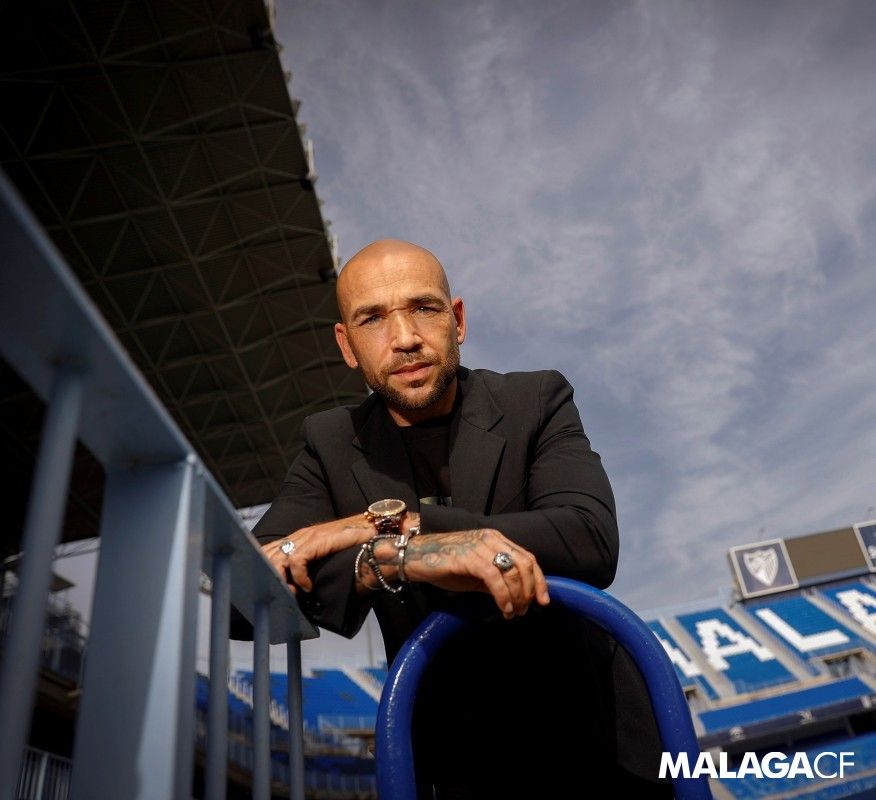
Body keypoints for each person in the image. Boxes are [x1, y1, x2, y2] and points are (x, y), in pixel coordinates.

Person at [242, 239, 673, 798]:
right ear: (347, 346)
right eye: (373, 319)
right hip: (455, 762)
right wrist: (387, 559)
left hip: (597, 743)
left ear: (458, 319)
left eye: (423, 307)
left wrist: (383, 527)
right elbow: (250, 589)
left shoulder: (535, 399)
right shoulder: (328, 442)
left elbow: (588, 537)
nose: (405, 338)